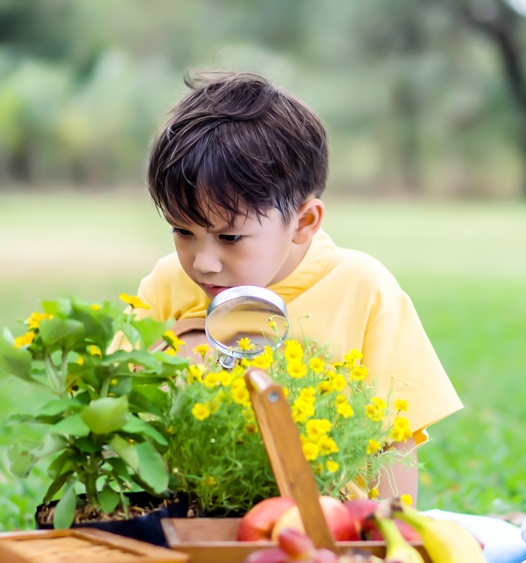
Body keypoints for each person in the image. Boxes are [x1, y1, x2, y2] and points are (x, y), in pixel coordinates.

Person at [123, 71, 462, 502]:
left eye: (229, 238)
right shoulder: (166, 285)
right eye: (182, 231)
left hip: (327, 531)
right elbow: (115, 409)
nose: (203, 263)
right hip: (195, 524)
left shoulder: (363, 288)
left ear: (303, 222)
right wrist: (169, 357)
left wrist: (389, 538)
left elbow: (395, 441)